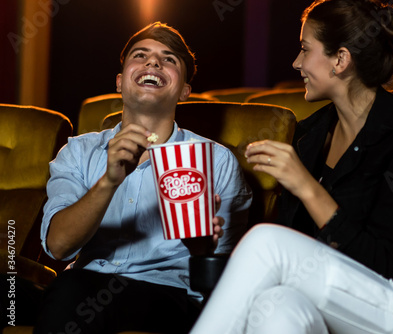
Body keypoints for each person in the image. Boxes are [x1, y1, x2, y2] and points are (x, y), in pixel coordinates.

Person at [190, 0, 393, 333]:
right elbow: (295, 252)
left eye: (305, 49)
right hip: (336, 303)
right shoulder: (310, 137)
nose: (296, 62)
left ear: (341, 60)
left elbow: (387, 265)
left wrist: (307, 186)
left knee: (265, 244)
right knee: (276, 309)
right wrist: (206, 243)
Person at [34, 22, 251, 334]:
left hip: (168, 296)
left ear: (185, 91)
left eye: (169, 59)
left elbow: (225, 284)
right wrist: (109, 181)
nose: (153, 63)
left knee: (73, 292)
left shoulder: (215, 161)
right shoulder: (78, 152)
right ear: (120, 82)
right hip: (79, 284)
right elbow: (57, 246)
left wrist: (202, 250)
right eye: (141, 55)